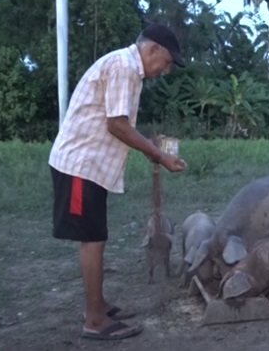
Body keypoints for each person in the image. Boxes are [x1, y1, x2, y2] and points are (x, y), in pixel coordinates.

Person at [48, 23, 188, 341]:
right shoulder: (124, 67)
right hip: (80, 166)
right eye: (166, 62)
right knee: (92, 240)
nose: (166, 70)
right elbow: (118, 126)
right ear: (152, 49)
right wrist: (158, 155)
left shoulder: (127, 69)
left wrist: (156, 153)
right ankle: (95, 320)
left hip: (90, 168)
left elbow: (117, 124)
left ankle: (97, 305)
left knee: (96, 236)